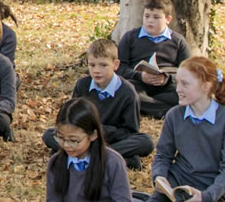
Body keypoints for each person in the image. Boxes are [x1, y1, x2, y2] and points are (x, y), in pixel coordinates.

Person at [136, 56, 225, 202]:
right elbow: (163, 156)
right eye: (177, 83)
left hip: (209, 192)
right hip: (177, 187)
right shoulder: (174, 115)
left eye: (185, 84)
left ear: (206, 87)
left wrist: (205, 196)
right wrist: (159, 177)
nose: (178, 89)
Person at [43, 38, 155, 169]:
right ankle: (103, 157)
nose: (97, 70)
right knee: (49, 135)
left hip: (111, 140)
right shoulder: (82, 85)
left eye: (103, 65)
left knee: (146, 142)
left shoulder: (127, 93)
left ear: (116, 65)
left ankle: (89, 156)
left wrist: (101, 131)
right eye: (92, 65)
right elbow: (72, 119)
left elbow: (130, 131)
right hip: (83, 138)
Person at [115, 0, 190, 118]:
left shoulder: (178, 41)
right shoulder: (130, 37)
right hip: (138, 83)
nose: (150, 20)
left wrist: (167, 78)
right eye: (147, 16)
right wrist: (140, 76)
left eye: (156, 17)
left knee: (186, 94)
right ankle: (166, 110)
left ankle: (145, 105)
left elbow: (187, 71)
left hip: (167, 87)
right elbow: (119, 67)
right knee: (128, 91)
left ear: (168, 19)